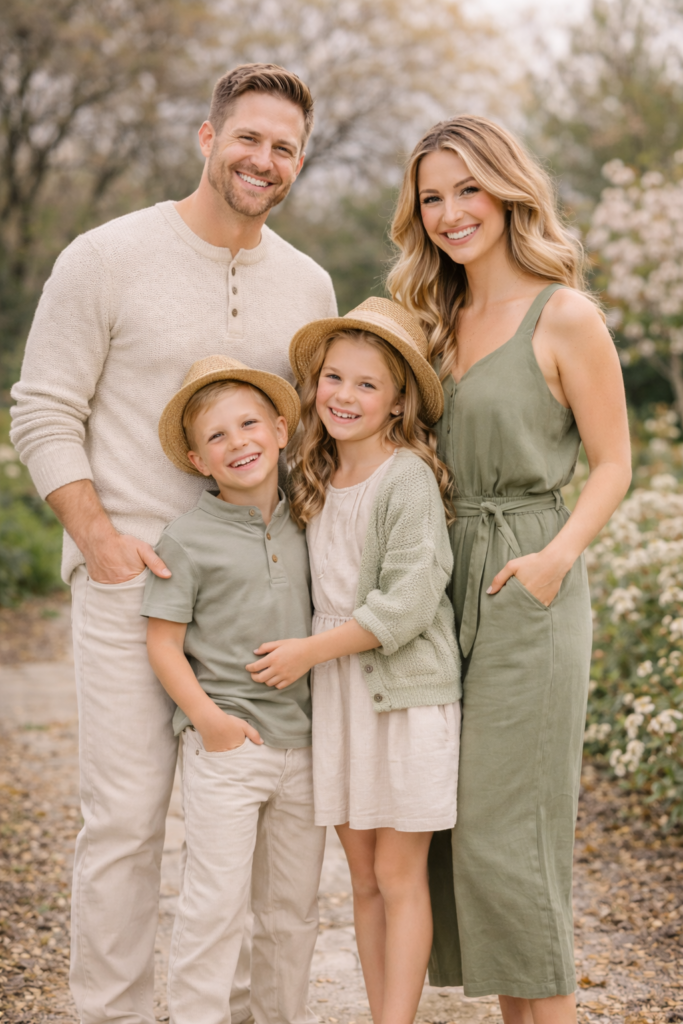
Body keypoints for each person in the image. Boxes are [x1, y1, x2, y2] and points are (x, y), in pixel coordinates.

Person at [9, 63, 336, 1024]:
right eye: (248, 138)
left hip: (253, 602)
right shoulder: (105, 257)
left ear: (299, 161)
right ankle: (109, 1013)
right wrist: (98, 536)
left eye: (284, 148)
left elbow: (309, 438)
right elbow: (43, 410)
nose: (263, 159)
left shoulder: (307, 283)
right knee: (124, 819)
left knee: (250, 822)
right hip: (132, 582)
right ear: (207, 138)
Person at [388, 116, 632, 1024]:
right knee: (459, 836)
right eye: (431, 197)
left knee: (511, 837)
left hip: (525, 576)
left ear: (507, 191)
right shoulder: (428, 321)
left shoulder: (564, 315)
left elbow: (613, 462)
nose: (451, 212)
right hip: (438, 583)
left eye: (468, 189)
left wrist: (554, 560)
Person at [244, 297, 462, 1024]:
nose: (343, 395)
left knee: (398, 874)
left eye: (367, 384)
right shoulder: (311, 475)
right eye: (333, 378)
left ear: (398, 401)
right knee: (362, 876)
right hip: (338, 699)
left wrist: (309, 651)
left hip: (403, 698)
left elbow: (408, 604)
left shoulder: (407, 479)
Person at [143, 355, 325, 1024]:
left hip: (305, 745)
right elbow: (163, 644)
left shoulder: (311, 515)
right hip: (228, 747)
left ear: (279, 430)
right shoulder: (187, 539)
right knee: (214, 905)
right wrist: (209, 722)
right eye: (216, 436)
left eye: (249, 424)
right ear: (197, 460)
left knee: (291, 910)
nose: (237, 443)